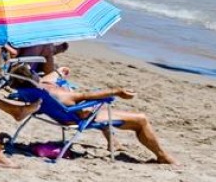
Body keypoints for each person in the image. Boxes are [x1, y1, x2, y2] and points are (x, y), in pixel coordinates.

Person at [34, 48, 177, 164]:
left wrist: (58, 72)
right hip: (78, 118)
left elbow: (48, 79)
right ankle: (162, 155)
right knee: (141, 119)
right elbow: (85, 96)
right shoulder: (59, 93)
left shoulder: (36, 89)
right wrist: (118, 92)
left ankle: (113, 142)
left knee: (95, 107)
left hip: (63, 113)